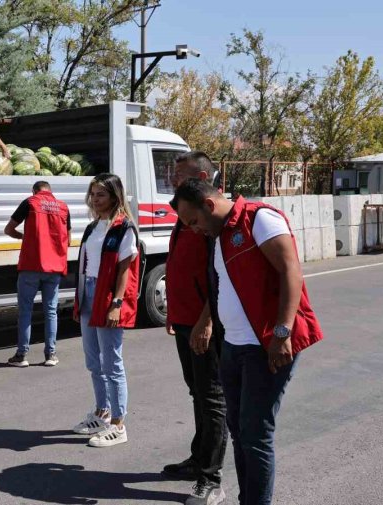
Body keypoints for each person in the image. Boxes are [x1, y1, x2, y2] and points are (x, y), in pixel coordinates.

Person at [170, 179, 324, 505]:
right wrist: (205, 322)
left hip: (266, 346)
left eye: (193, 221)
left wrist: (282, 333)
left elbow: (290, 272)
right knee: (240, 432)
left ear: (209, 205)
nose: (193, 229)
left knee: (255, 435)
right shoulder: (219, 235)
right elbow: (222, 286)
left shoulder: (260, 219)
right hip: (233, 347)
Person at [162, 152, 228, 505]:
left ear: (202, 176)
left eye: (180, 174)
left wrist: (206, 319)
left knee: (213, 398)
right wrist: (176, 315)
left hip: (206, 324)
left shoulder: (209, 217)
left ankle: (211, 479)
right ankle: (198, 459)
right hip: (187, 321)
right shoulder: (186, 208)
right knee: (198, 394)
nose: (174, 179)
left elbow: (217, 276)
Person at [71, 174, 144, 448]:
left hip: (108, 296)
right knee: (93, 362)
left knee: (112, 363)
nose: (95, 199)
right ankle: (102, 413)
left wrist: (117, 303)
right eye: (93, 194)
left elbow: (125, 270)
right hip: (89, 294)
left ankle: (118, 424)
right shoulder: (93, 227)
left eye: (100, 194)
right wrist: (81, 299)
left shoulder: (124, 228)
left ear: (115, 196)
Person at [4, 181, 72, 368]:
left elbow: (8, 229)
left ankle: (22, 355)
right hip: (55, 267)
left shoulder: (30, 202)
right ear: (51, 191)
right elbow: (68, 239)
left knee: (25, 311)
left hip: (31, 265)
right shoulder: (63, 207)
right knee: (51, 311)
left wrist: (25, 237)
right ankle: (50, 355)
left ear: (34, 191)